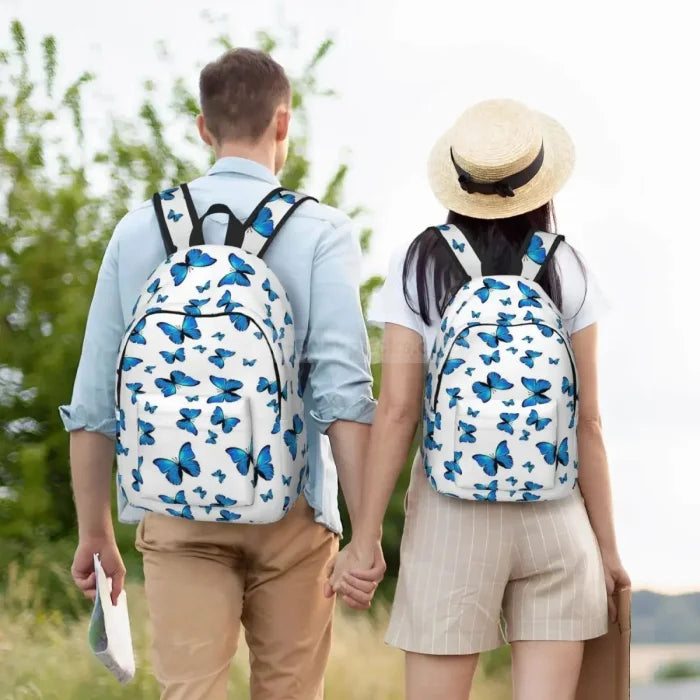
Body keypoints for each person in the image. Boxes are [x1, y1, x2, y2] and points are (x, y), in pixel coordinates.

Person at [61, 47, 383, 700]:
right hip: (293, 512)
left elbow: (95, 399)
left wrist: (94, 532)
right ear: (283, 124)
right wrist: (365, 533)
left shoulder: (138, 231)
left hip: (176, 508)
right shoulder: (321, 231)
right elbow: (344, 396)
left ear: (203, 128)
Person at [329, 99, 631, 700]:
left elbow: (397, 411)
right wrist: (608, 551)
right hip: (556, 516)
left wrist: (364, 540)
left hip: (451, 518)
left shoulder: (419, 264)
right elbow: (589, 423)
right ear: (540, 184)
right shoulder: (567, 266)